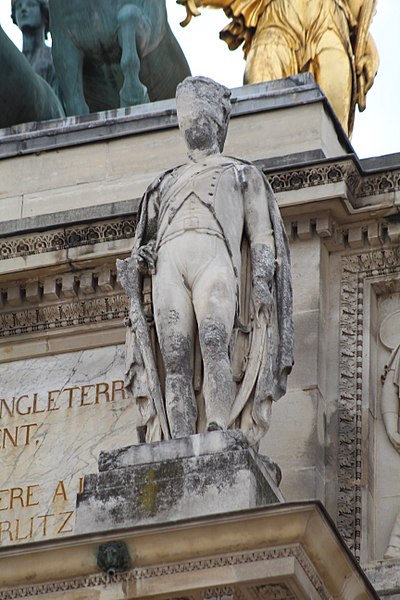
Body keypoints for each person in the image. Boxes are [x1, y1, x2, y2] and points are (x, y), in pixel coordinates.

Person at [119, 76, 293, 446]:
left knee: (216, 341)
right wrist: (141, 258)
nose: (191, 123)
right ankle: (178, 439)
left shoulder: (243, 173)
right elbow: (142, 243)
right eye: (186, 117)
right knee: (175, 357)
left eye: (198, 115)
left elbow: (262, 237)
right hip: (168, 265)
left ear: (217, 121)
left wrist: (261, 281)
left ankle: (218, 427)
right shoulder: (163, 183)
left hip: (216, 261)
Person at [178, 0, 379, 135]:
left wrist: (370, 52)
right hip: (276, 22)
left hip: (330, 26)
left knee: (333, 123)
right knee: (260, 105)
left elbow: (359, 16)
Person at [11, 0, 61, 97]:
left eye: (30, 4)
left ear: (44, 14)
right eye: (18, 6)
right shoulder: (13, 63)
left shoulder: (56, 56)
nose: (23, 9)